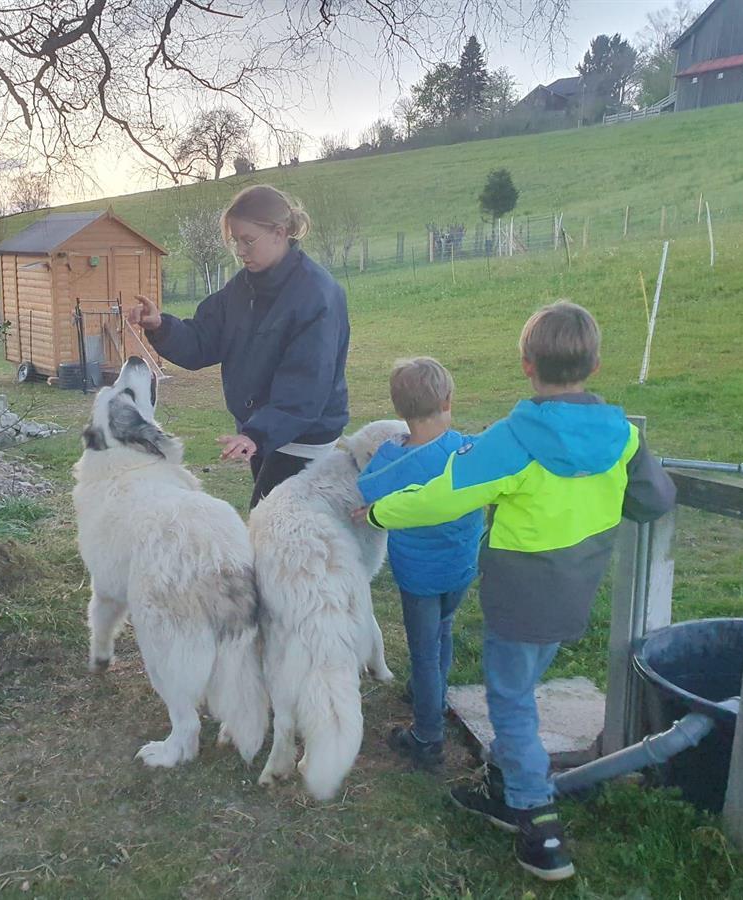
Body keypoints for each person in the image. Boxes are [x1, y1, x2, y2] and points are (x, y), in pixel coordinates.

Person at [361, 302, 676, 882]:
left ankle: (537, 825)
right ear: (597, 364)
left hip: (518, 595)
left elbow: (442, 494)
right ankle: (502, 781)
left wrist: (380, 511)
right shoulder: (622, 437)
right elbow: (655, 499)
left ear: (526, 364)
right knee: (520, 686)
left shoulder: (513, 439)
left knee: (511, 705)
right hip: (575, 590)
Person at [127, 185, 349, 509]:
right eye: (236, 242)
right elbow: (203, 340)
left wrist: (256, 434)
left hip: (303, 439)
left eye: (248, 240)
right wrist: (161, 327)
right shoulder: (241, 288)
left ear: (279, 232)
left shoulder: (316, 296)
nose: (241, 251)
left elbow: (305, 388)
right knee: (273, 527)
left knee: (271, 527)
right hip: (261, 435)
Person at [352, 357, 483, 770]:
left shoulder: (391, 459)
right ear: (447, 400)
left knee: (425, 652)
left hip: (419, 578)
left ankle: (427, 736)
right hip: (462, 568)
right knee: (444, 630)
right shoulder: (467, 448)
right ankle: (434, 696)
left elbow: (365, 489)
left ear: (398, 411)